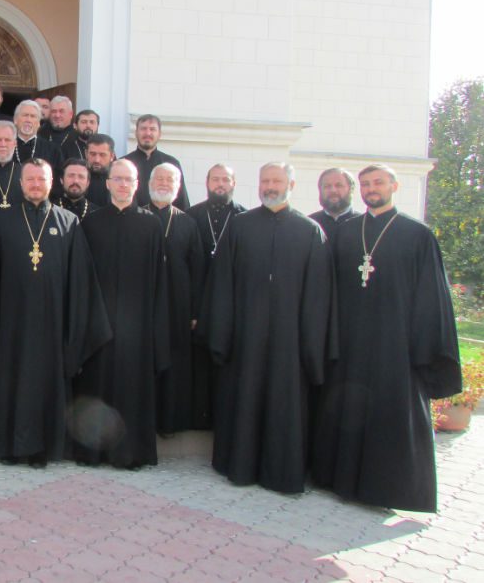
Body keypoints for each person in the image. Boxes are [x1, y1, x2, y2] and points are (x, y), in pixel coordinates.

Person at [312, 164, 461, 512]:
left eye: (378, 182)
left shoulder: (418, 235)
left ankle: (387, 491)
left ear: (394, 186)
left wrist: (423, 350)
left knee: (391, 415)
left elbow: (432, 297)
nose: (371, 189)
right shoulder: (346, 233)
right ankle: (341, 482)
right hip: (350, 344)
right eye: (366, 184)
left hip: (396, 347)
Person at [205, 162, 334, 494]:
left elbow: (318, 296)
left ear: (291, 184)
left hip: (289, 343)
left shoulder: (310, 231)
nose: (270, 186)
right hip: (245, 339)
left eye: (276, 180)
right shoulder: (240, 226)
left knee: (284, 404)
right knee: (243, 399)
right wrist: (221, 335)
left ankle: (281, 473)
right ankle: (239, 466)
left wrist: (311, 347)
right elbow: (222, 284)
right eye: (265, 180)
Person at [0, 159, 110, 467]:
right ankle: (9, 446)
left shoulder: (69, 222)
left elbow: (80, 280)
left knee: (46, 386)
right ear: (21, 184)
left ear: (52, 183)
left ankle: (42, 449)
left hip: (53, 324)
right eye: (31, 179)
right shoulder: (2, 220)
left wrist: (75, 328)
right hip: (11, 323)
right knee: (10, 383)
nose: (36, 184)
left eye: (42, 179)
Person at [72, 159, 169, 468]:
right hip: (98, 324)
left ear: (137, 184)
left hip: (137, 327)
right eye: (118, 179)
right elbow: (82, 278)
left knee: (132, 389)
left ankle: (131, 453)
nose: (123, 185)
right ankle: (91, 451)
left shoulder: (151, 225)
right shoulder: (91, 224)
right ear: (108, 183)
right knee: (96, 388)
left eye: (129, 180)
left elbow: (159, 282)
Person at [145, 164, 206, 433]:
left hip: (177, 307)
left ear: (178, 187)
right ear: (149, 183)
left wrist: (194, 311)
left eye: (170, 180)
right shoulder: (139, 217)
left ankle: (170, 422)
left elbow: (198, 270)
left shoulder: (188, 223)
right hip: (145, 306)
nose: (164, 183)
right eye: (159, 178)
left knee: (175, 363)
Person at [187, 164, 247, 273]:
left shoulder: (245, 218)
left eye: (226, 180)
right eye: (215, 179)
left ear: (234, 184)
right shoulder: (190, 215)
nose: (220, 184)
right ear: (207, 183)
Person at [125, 114, 189, 209]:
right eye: (143, 129)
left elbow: (181, 200)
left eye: (152, 129)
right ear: (136, 133)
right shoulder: (124, 163)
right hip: (131, 217)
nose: (148, 133)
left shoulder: (172, 163)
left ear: (159, 134)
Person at [309, 167, 359, 240]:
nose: (333, 190)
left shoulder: (363, 224)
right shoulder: (309, 224)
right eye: (327, 186)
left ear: (351, 189)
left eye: (339, 185)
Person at [12, 100, 62, 171]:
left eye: (33, 116)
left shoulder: (52, 150)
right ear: (15, 120)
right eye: (25, 115)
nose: (28, 120)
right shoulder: (5, 146)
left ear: (38, 123)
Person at [84, 134, 115, 206]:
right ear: (86, 154)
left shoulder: (119, 181)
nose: (97, 160)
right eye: (93, 154)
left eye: (102, 155)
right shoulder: (77, 178)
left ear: (112, 156)